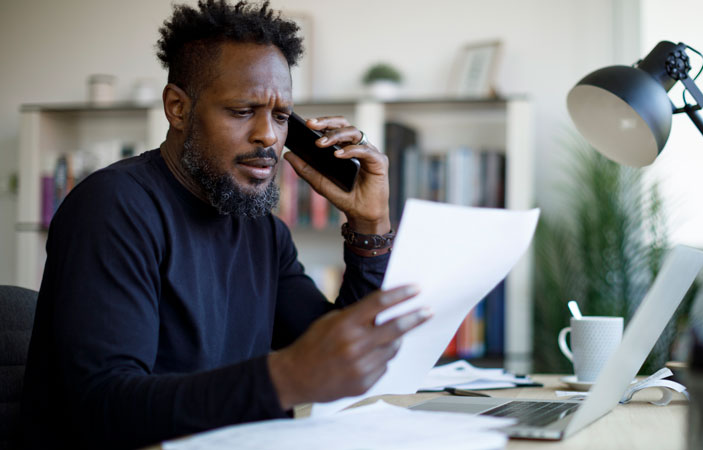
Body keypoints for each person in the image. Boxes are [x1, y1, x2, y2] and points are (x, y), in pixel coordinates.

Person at [21, 1, 430, 448]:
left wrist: (370, 225)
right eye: (241, 111)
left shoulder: (262, 230)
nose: (268, 136)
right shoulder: (112, 207)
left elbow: (342, 358)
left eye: (279, 116)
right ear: (178, 108)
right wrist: (284, 376)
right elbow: (104, 406)